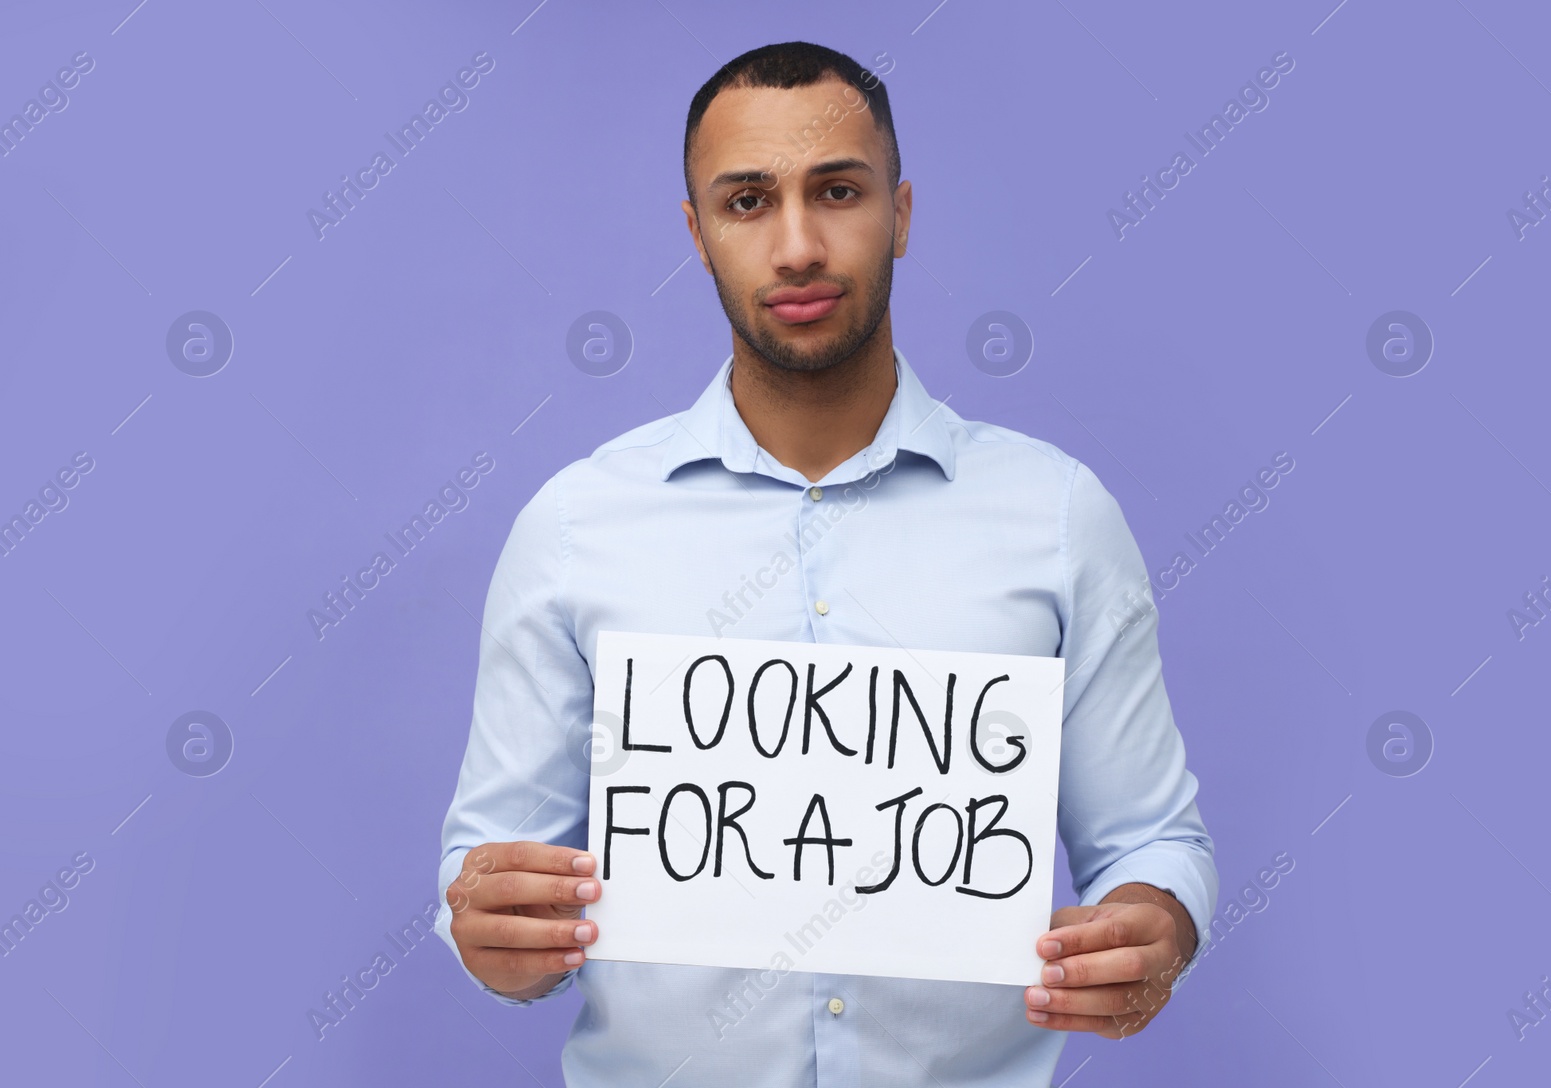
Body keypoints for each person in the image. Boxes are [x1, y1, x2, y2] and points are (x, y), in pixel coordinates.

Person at [434, 39, 1217, 1086]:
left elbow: (1153, 841)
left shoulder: (1059, 515)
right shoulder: (575, 525)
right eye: (747, 201)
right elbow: (489, 865)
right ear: (697, 236)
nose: (797, 245)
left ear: (898, 213)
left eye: (836, 191)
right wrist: (491, 933)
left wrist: (1150, 926)